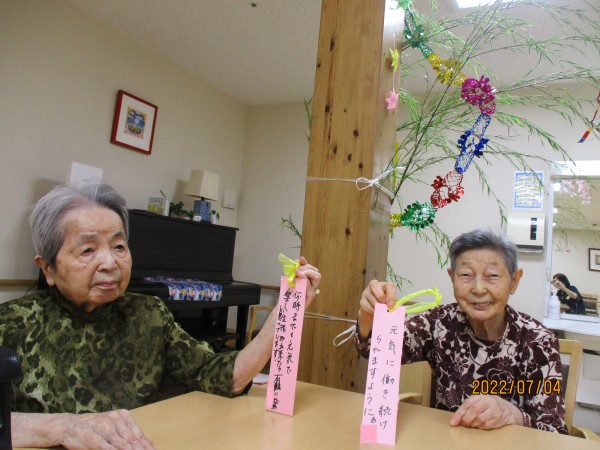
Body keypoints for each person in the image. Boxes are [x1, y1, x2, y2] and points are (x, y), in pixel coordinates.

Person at [0, 183, 321, 449]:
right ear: (48, 268)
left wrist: (286, 310)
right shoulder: (12, 324)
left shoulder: (147, 314)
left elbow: (225, 376)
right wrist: (62, 427)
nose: (110, 263)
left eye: (119, 246)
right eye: (88, 250)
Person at [355, 229, 567, 434]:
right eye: (466, 275)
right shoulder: (439, 323)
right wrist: (369, 317)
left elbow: (554, 429)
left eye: (492, 275)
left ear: (514, 281)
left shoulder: (538, 341)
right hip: (448, 440)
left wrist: (513, 414)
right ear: (452, 277)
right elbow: (374, 350)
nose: (478, 288)